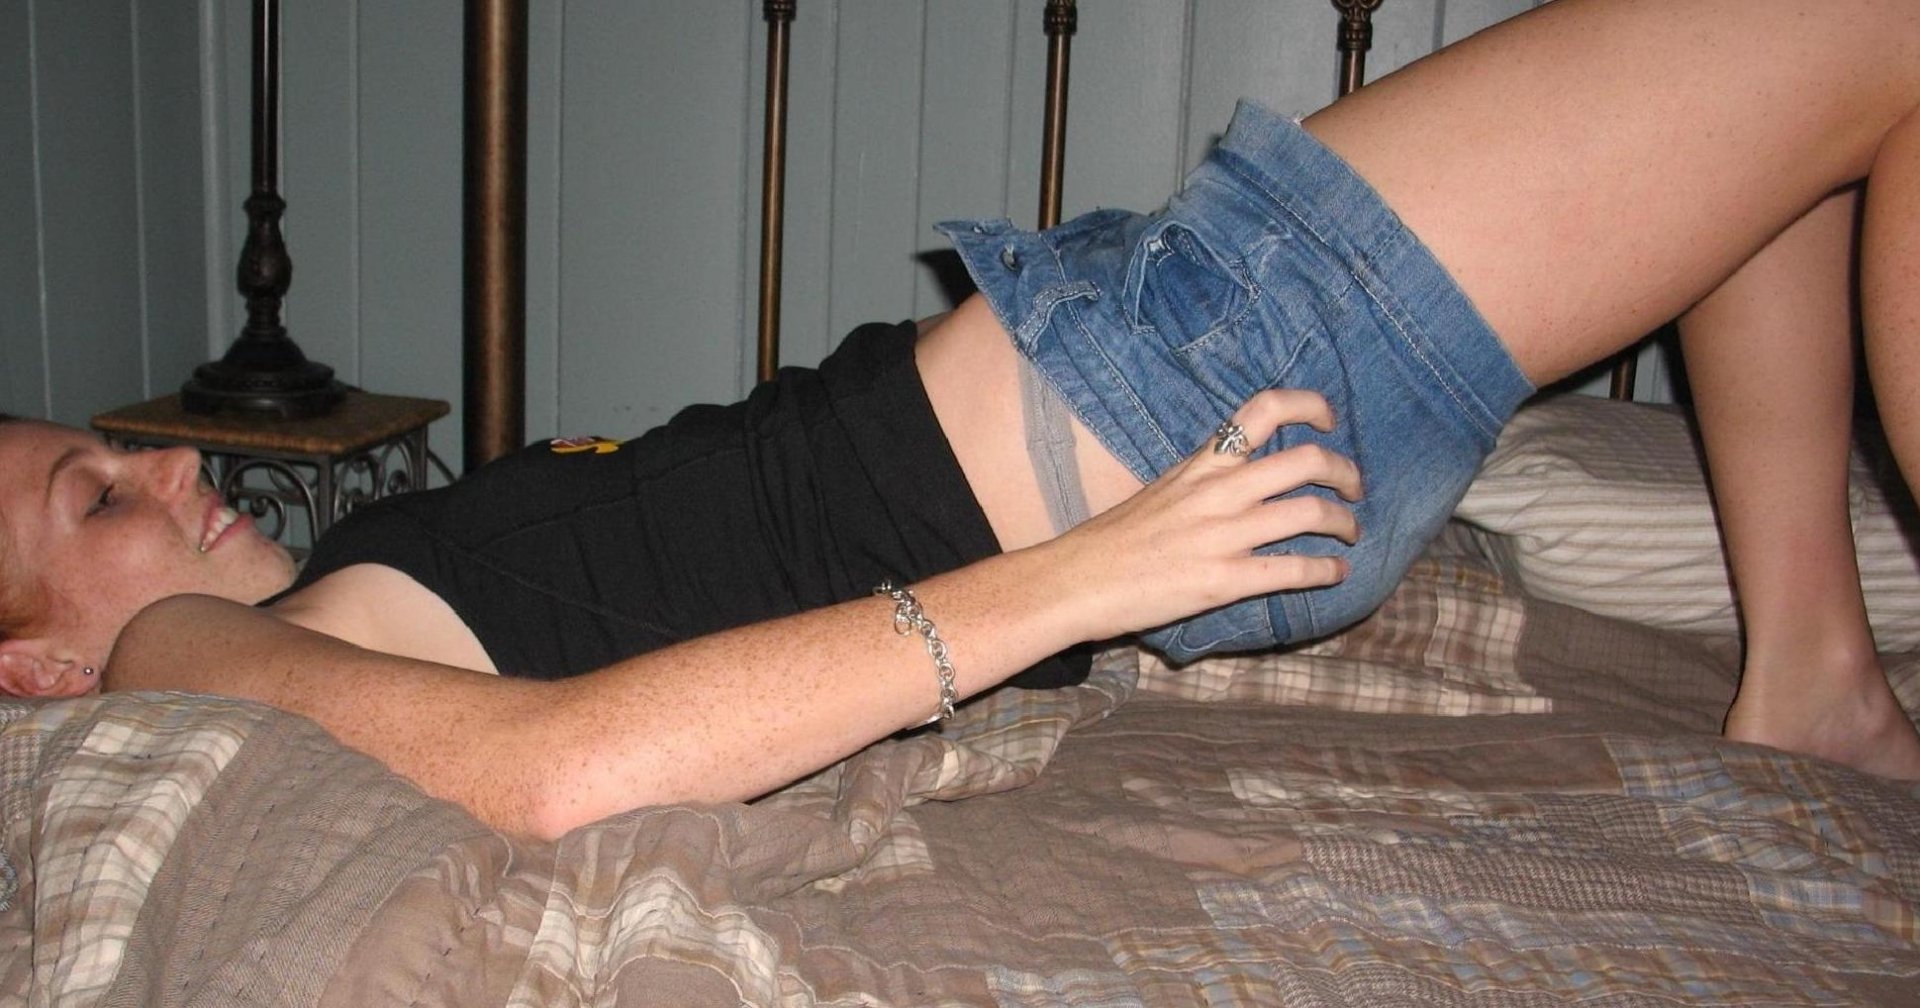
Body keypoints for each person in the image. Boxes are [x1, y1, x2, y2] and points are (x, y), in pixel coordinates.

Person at [3, 0, 1919, 840]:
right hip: (1152, 408)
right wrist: (1083, 582)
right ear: (34, 674)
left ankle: (1815, 675)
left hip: (1136, 403)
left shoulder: (317, 613)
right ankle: (1816, 677)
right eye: (95, 496)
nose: (167, 459)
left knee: (1786, 121)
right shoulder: (171, 660)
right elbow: (559, 776)